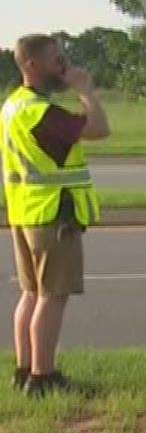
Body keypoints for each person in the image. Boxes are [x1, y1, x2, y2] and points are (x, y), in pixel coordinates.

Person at [5, 34, 109, 396]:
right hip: (52, 215)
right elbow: (98, 129)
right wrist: (86, 92)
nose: (64, 66)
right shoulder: (39, 112)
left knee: (31, 293)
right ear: (32, 64)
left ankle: (24, 370)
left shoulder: (13, 105)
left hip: (25, 212)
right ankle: (43, 377)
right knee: (52, 296)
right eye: (56, 59)